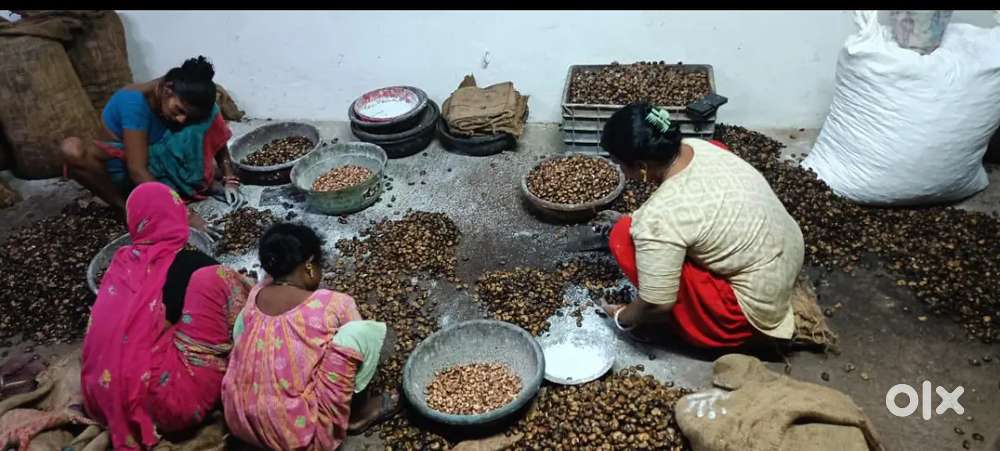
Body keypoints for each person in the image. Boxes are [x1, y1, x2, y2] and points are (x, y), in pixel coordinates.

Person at [596, 102, 805, 349]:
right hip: (788, 252)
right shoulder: (700, 146)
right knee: (647, 230)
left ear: (642, 167)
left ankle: (711, 330)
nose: (620, 170)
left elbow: (657, 303)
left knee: (624, 236)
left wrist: (622, 317)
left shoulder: (659, 217)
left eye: (621, 164)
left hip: (751, 311)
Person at [80, 182, 252, 450]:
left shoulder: (121, 264)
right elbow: (241, 314)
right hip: (169, 402)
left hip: (101, 398)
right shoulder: (194, 265)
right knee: (217, 281)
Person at [222, 223, 398, 451]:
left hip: (241, 421)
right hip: (300, 435)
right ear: (309, 267)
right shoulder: (334, 303)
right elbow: (350, 352)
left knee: (244, 321)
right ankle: (359, 412)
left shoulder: (257, 292)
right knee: (359, 334)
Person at [61, 56, 244, 230]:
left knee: (209, 110)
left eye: (185, 114)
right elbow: (137, 171)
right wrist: (184, 214)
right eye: (178, 110)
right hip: (133, 170)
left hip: (165, 156)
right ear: (167, 90)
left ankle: (191, 183)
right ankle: (125, 209)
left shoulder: (179, 90)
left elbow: (210, 123)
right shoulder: (133, 103)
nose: (181, 119)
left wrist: (230, 178)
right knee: (71, 149)